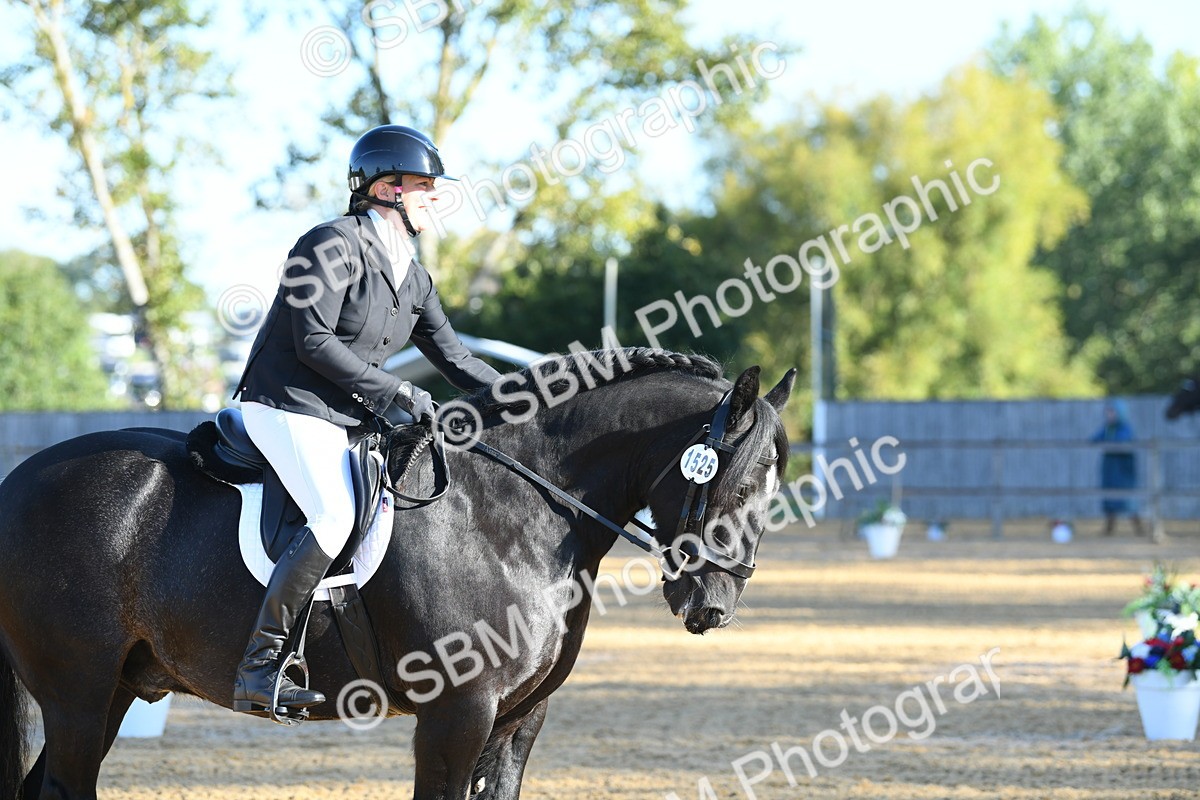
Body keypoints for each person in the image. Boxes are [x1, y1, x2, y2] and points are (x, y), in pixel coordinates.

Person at [230, 124, 501, 715]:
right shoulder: (329, 243)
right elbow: (312, 342)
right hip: (287, 404)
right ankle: (260, 666)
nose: (437, 197)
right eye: (426, 185)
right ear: (387, 189)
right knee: (333, 515)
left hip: (345, 418)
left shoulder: (414, 274)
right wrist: (398, 390)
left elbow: (455, 359)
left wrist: (535, 391)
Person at [1090, 399, 1144, 536]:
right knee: (1109, 496)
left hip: (1123, 468)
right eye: (1108, 412)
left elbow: (1122, 441)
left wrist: (1107, 442)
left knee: (1127, 498)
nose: (1109, 415)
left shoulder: (1125, 428)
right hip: (1110, 467)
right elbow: (1094, 439)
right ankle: (1109, 528)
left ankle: (1139, 529)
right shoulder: (1108, 428)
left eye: (1112, 412)